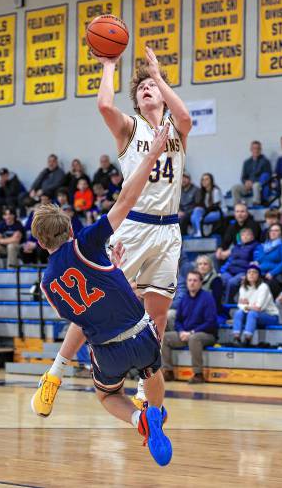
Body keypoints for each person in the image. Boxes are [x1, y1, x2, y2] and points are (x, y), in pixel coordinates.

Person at [30, 125, 172, 466]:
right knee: (153, 373)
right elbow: (126, 199)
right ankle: (153, 412)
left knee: (108, 396)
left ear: (39, 242)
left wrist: (113, 272)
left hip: (107, 351)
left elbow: (85, 314)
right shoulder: (88, 242)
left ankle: (136, 420)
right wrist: (152, 154)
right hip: (141, 336)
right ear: (69, 228)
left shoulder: (48, 284)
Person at [97, 46, 192, 406]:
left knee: (160, 315)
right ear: (136, 103)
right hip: (134, 226)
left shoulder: (176, 129)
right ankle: (63, 369)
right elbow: (105, 106)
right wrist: (109, 66)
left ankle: (144, 380)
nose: (148, 89)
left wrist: (157, 74)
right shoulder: (130, 128)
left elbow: (184, 115)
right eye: (142, 88)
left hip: (168, 230)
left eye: (153, 86)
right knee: (105, 299)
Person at [161, 271, 217, 384]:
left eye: (195, 280)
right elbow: (178, 321)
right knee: (164, 337)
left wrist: (191, 332)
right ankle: (168, 371)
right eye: (190, 280)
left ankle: (198, 374)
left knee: (194, 338)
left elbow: (210, 322)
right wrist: (181, 331)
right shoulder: (184, 298)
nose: (192, 283)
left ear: (201, 283)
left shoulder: (207, 298)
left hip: (206, 334)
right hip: (186, 334)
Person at [232, 265, 278, 346]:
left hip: (270, 316)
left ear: (258, 275)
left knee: (252, 313)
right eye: (249, 272)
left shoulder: (263, 287)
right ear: (246, 275)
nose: (251, 274)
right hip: (252, 314)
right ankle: (236, 338)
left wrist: (246, 305)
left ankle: (247, 339)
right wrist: (248, 306)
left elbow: (259, 307)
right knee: (238, 312)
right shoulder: (243, 287)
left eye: (254, 272)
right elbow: (240, 305)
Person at [254, 223, 282, 298]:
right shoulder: (264, 246)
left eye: (276, 230)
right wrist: (256, 263)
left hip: (278, 276)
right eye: (271, 230)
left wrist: (272, 273)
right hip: (263, 274)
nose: (273, 232)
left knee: (264, 287)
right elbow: (260, 260)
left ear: (281, 233)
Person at [220, 228, 260, 303]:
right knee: (221, 279)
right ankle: (220, 303)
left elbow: (256, 261)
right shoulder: (236, 247)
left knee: (232, 282)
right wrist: (221, 271)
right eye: (243, 235)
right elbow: (229, 261)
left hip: (243, 272)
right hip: (230, 271)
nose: (245, 237)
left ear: (252, 237)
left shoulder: (256, 246)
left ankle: (227, 304)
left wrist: (249, 273)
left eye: (247, 235)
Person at [231, 141, 272, 205]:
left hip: (259, 185)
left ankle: (256, 204)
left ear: (261, 150)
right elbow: (243, 177)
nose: (256, 150)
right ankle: (237, 206)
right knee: (235, 188)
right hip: (248, 186)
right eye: (254, 148)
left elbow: (267, 176)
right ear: (251, 149)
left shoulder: (265, 161)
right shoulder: (246, 162)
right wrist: (246, 182)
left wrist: (252, 182)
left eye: (258, 148)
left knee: (255, 185)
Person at [190, 173, 223, 237]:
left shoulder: (215, 191)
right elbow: (202, 206)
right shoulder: (203, 192)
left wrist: (203, 215)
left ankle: (199, 231)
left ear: (211, 181)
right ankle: (199, 231)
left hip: (219, 212)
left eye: (207, 179)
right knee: (195, 212)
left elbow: (216, 207)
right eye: (203, 179)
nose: (204, 181)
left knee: (195, 218)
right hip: (209, 212)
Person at [195, 255, 225, 323]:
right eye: (200, 264)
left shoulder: (216, 280)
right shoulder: (193, 280)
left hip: (213, 312)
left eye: (205, 264)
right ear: (197, 267)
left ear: (210, 266)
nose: (202, 266)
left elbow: (215, 301)